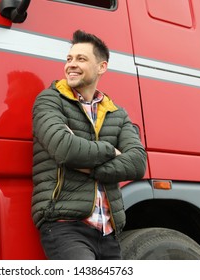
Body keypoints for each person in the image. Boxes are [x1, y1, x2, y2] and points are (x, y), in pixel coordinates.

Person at [31, 30, 147, 260]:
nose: (71, 65)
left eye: (81, 59)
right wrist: (110, 151)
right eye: (69, 59)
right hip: (65, 225)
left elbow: (137, 163)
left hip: (109, 231)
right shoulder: (49, 100)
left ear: (101, 67)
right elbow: (65, 149)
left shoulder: (116, 112)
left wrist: (89, 167)